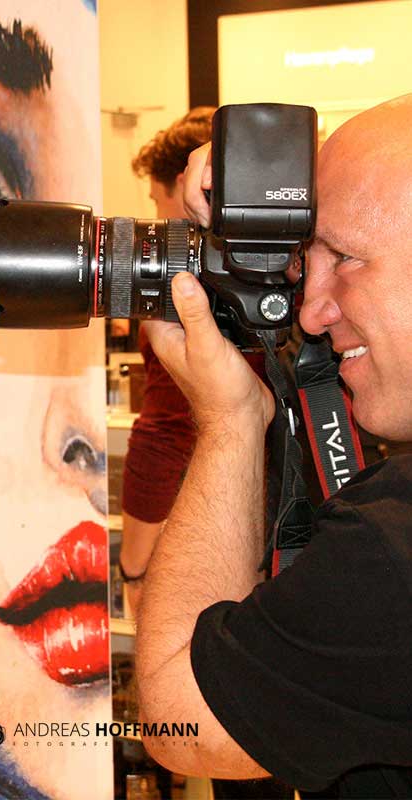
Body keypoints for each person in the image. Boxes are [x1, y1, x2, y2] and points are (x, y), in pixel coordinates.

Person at [136, 95, 412, 796]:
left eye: (344, 259)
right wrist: (259, 177)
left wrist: (229, 422)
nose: (311, 312)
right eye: (305, 258)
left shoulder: (394, 546)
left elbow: (180, 724)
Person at [119, 106, 216, 611]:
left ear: (185, 184)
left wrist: (134, 567)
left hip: (204, 524)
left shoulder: (185, 290)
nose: (155, 222)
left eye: (157, 202)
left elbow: (165, 429)